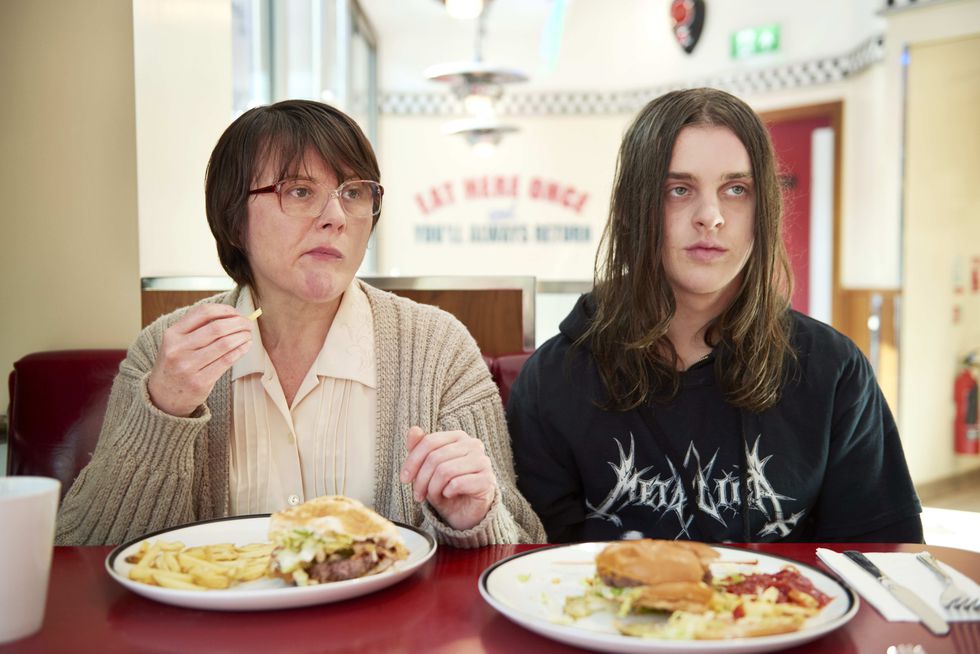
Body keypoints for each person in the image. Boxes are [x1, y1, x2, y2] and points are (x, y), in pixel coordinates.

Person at [57, 99, 544, 547]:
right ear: (233, 219)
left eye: (353, 192)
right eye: (299, 190)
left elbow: (519, 544)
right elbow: (84, 545)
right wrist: (163, 409)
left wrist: (472, 516)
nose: (336, 216)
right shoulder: (164, 351)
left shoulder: (438, 349)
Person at [507, 88, 922, 544]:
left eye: (736, 189)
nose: (711, 216)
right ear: (629, 211)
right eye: (679, 189)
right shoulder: (553, 380)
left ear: (762, 211)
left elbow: (883, 559)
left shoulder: (834, 371)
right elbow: (536, 567)